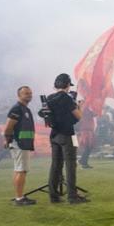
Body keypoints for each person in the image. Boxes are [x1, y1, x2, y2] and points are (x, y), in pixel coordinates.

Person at [44, 73, 88, 204]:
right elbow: (78, 116)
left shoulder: (49, 98)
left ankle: (53, 195)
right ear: (68, 85)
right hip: (67, 134)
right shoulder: (67, 99)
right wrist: (81, 106)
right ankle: (72, 196)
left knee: (55, 165)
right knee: (70, 165)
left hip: (54, 134)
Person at [4, 86, 37, 206]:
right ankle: (19, 198)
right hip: (20, 143)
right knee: (21, 170)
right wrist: (8, 139)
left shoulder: (25, 109)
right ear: (19, 95)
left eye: (30, 93)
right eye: (26, 93)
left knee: (18, 170)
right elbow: (8, 126)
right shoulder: (17, 108)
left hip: (23, 143)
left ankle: (18, 195)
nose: (29, 95)